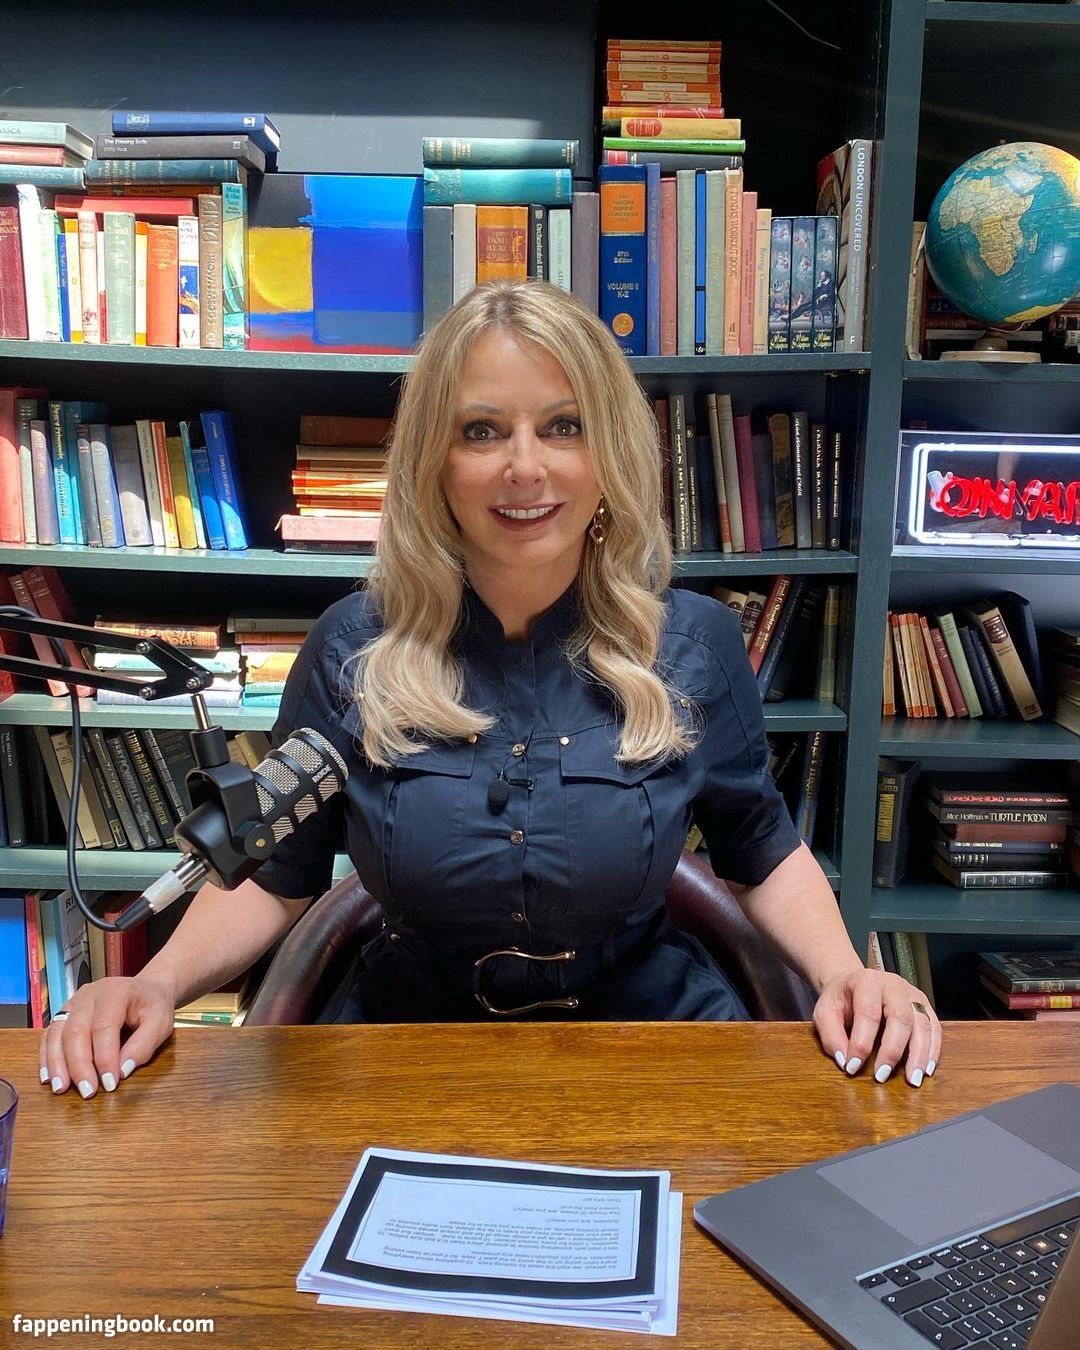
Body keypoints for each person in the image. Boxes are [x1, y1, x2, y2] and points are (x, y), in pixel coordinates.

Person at [40, 280, 942, 1100]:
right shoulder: (352, 648)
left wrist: (845, 973)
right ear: (434, 461)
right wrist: (153, 982)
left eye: (563, 425)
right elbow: (278, 875)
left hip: (653, 1046)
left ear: (610, 452)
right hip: (406, 1050)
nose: (525, 467)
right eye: (481, 431)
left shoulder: (693, 643)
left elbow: (760, 848)